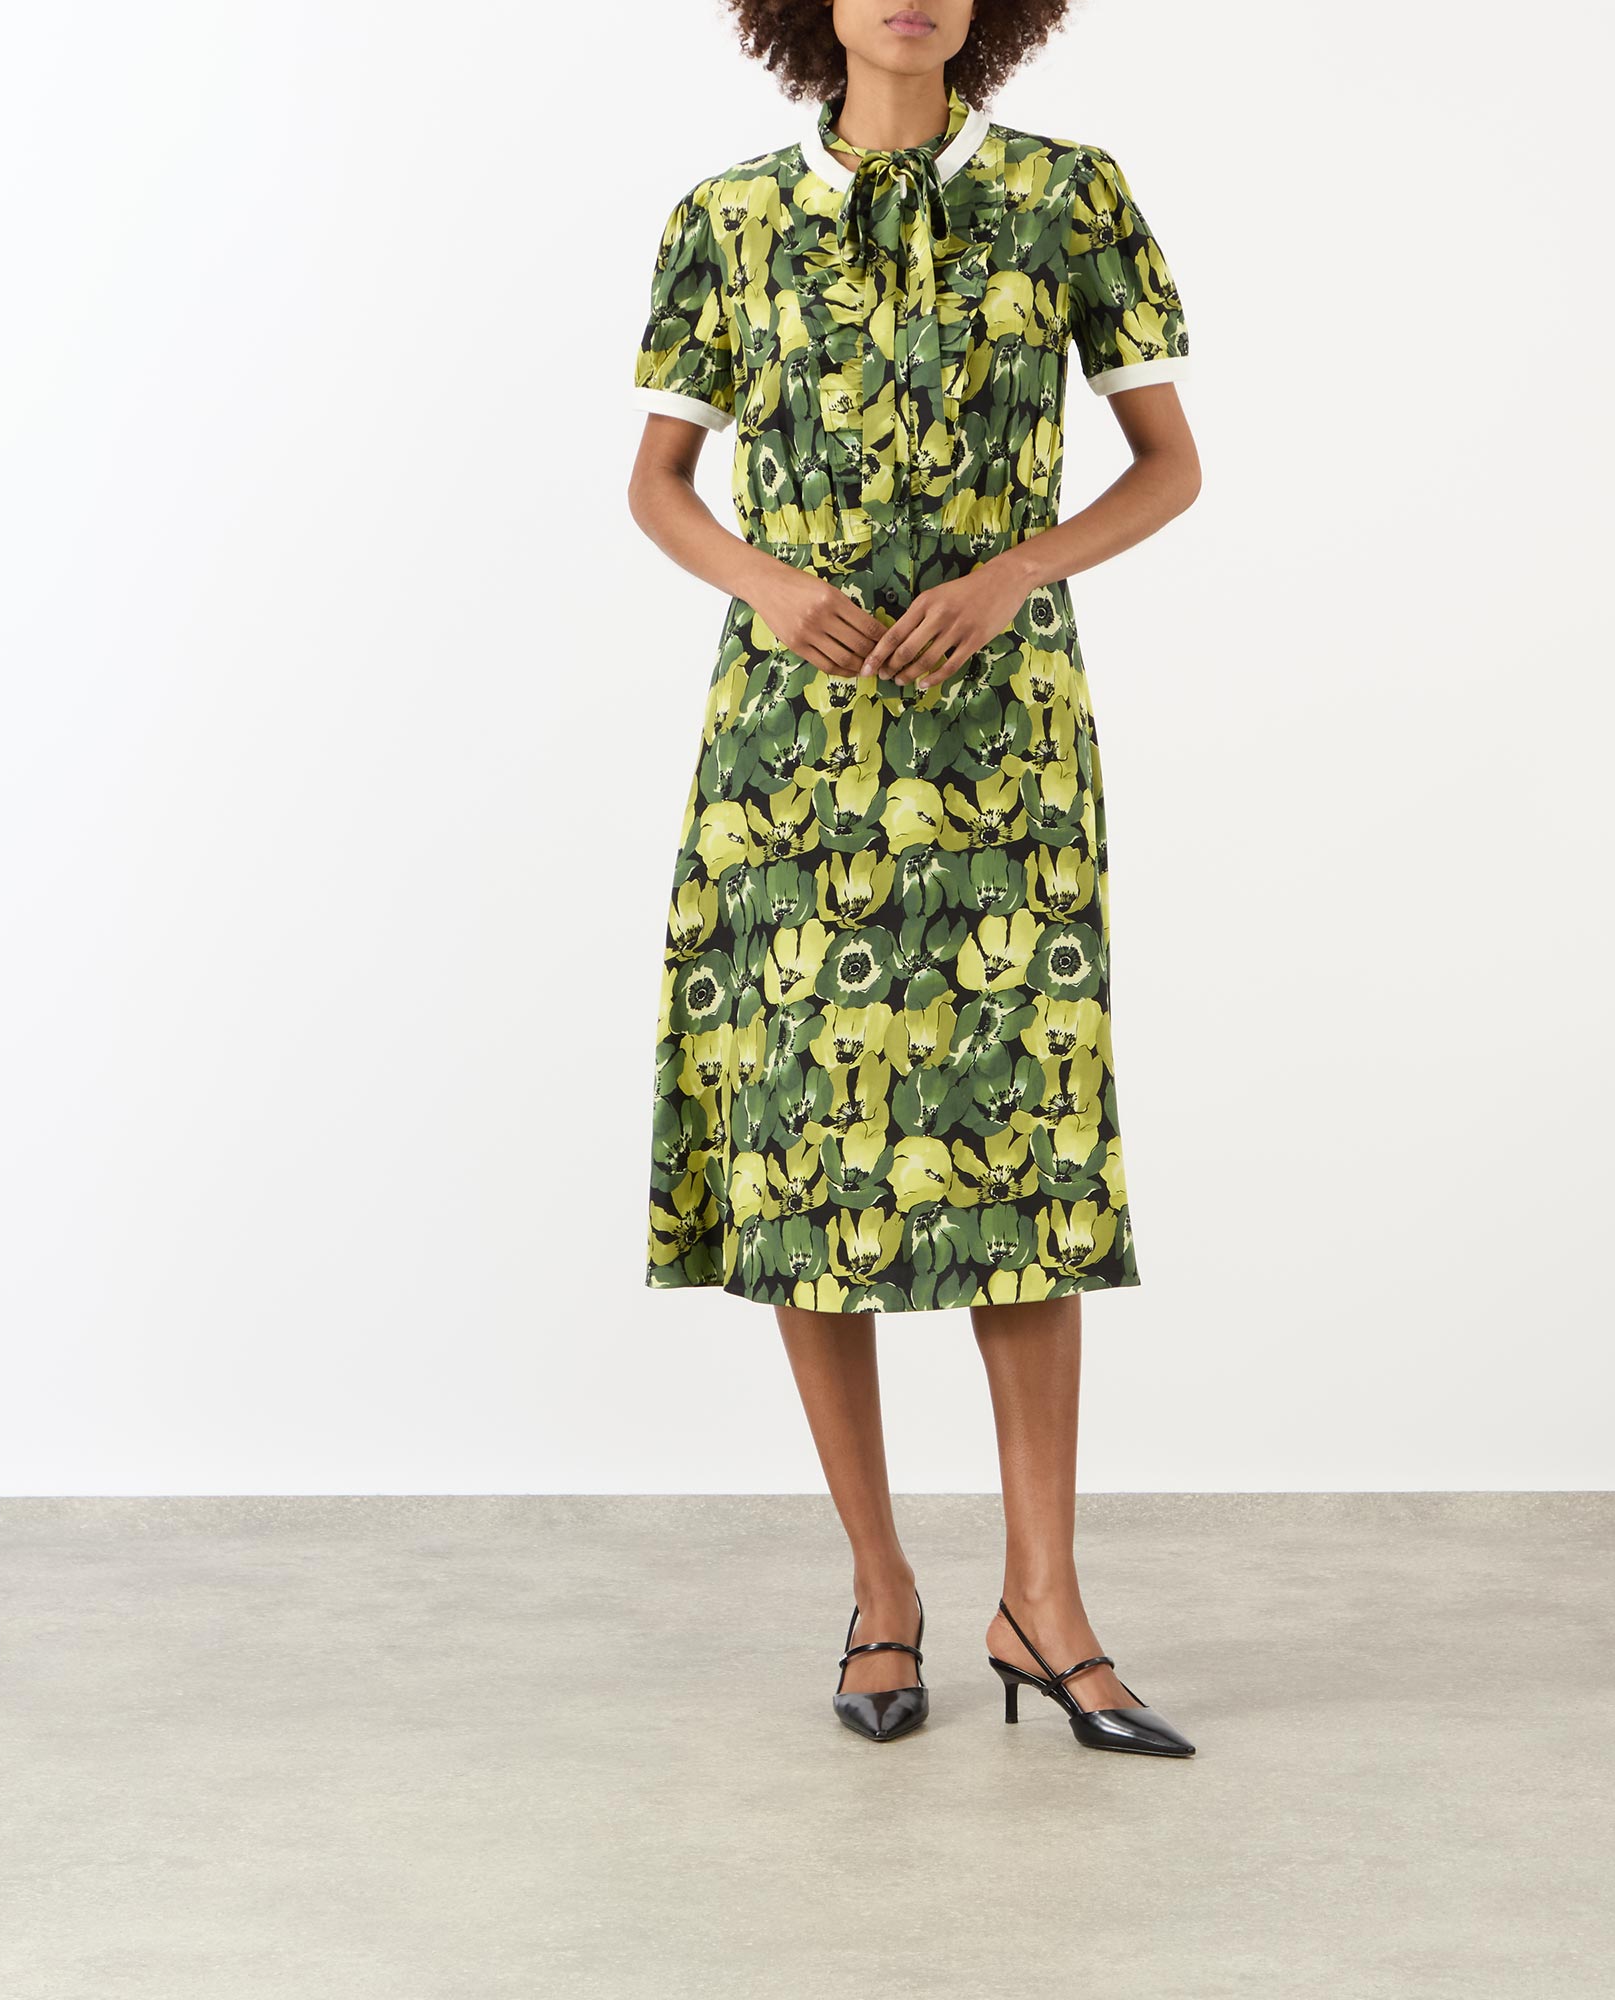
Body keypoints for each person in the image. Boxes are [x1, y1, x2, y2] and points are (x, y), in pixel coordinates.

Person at [628, 0, 1202, 1754]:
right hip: (792, 754)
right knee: (808, 1160)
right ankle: (882, 1592)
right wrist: (767, 583)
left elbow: (1170, 464)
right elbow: (659, 485)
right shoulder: (728, 218)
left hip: (1003, 746)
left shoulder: (1069, 196)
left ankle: (1048, 1604)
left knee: (1022, 1153)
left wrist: (1020, 568)